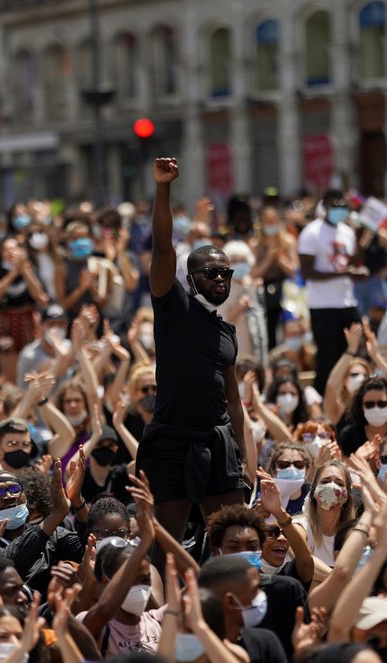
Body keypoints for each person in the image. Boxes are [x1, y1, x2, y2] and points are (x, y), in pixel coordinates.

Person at [135, 157, 246, 563]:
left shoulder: (227, 333)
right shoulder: (173, 307)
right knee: (160, 548)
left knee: (233, 544)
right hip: (172, 442)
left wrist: (243, 458)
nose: (219, 280)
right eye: (210, 274)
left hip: (218, 443)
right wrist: (163, 188)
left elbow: (233, 402)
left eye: (225, 274)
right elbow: (163, 247)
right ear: (190, 279)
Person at [298, 190, 366, 395]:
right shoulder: (311, 232)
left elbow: (353, 263)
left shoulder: (347, 232)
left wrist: (358, 272)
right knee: (327, 358)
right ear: (325, 206)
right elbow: (307, 272)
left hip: (347, 302)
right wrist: (344, 273)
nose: (339, 209)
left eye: (343, 206)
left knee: (354, 355)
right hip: (322, 305)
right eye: (335, 205)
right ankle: (323, 401)